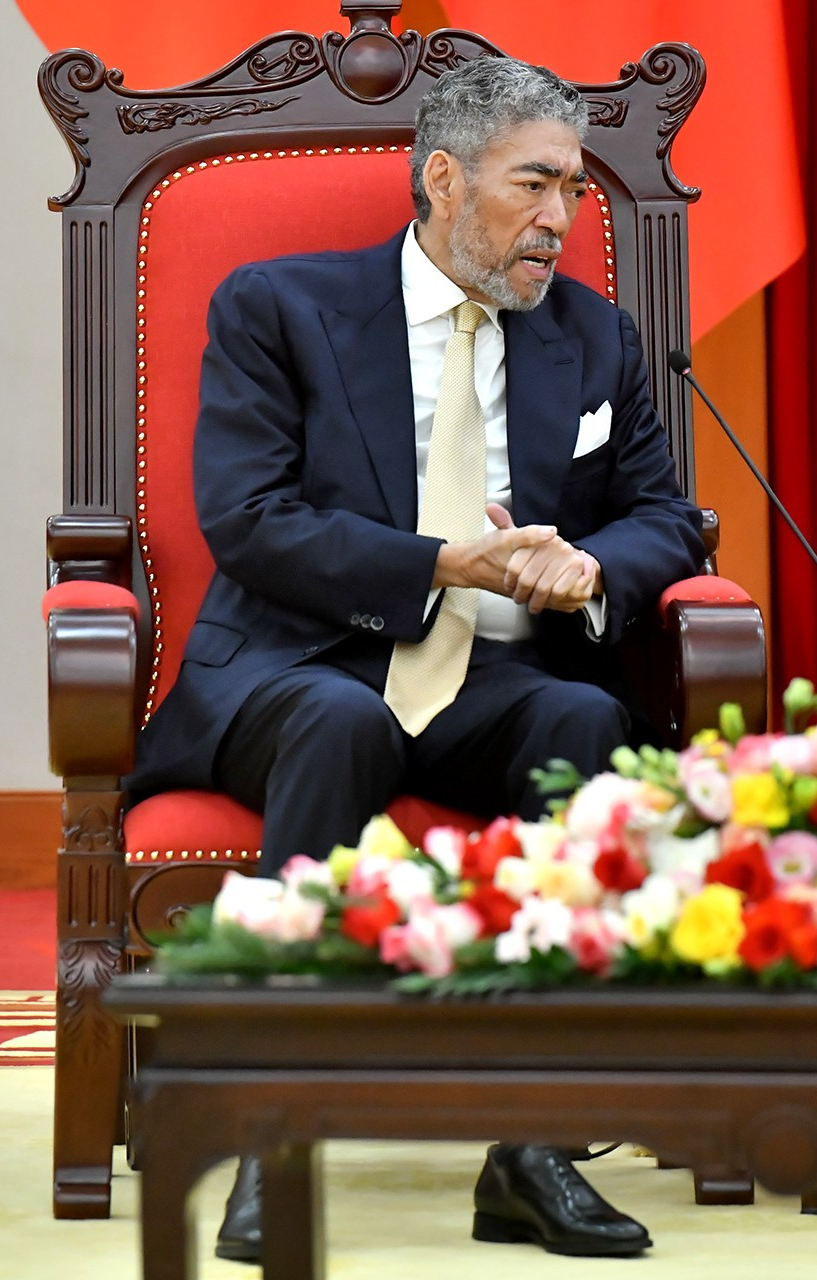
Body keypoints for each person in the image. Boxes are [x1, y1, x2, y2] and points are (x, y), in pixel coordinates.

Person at [124, 55, 704, 1263]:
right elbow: (251, 518)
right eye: (533, 184)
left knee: (589, 731)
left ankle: (536, 1149)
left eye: (574, 190)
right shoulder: (279, 307)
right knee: (346, 721)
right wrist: (446, 563)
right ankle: (270, 1132)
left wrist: (591, 571)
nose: (560, 217)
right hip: (297, 661)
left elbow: (661, 515)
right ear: (442, 178)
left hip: (490, 677)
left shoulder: (594, 337)